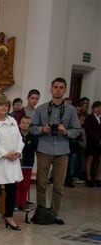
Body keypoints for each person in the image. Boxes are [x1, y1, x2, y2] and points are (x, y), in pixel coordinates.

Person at [30, 78, 81, 224]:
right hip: (44, 148)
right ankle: (40, 211)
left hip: (62, 150)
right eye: (56, 87)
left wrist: (65, 132)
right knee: (41, 182)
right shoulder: (41, 108)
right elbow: (32, 128)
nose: (58, 90)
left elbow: (77, 130)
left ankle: (55, 213)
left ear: (65, 90)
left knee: (58, 184)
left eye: (61, 88)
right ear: (51, 89)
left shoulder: (71, 110)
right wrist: (42, 129)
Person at [0, 95, 24, 231]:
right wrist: (5, 153)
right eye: (1, 105)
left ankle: (9, 216)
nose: (4, 107)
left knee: (12, 190)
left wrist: (18, 152)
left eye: (6, 105)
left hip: (14, 160)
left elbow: (20, 138)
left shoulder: (12, 120)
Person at [16, 115, 38, 209]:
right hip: (16, 164)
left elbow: (31, 148)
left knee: (25, 185)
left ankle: (22, 202)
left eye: (28, 123)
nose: (25, 125)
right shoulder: (16, 135)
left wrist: (23, 148)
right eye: (23, 122)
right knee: (16, 184)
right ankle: (15, 202)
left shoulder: (33, 137)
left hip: (27, 164)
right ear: (20, 124)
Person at [83, 100, 101, 187]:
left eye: (100, 108)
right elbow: (89, 131)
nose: (99, 109)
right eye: (97, 108)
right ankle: (89, 178)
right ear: (93, 108)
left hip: (100, 143)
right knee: (90, 159)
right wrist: (97, 139)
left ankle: (97, 178)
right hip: (91, 142)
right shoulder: (89, 118)